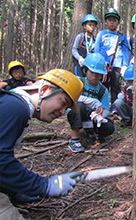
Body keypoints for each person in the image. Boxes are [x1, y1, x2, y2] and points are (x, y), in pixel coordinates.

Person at [0, 69, 84, 219]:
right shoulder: (15, 107)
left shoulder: (15, 105)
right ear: (45, 90)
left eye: (67, 108)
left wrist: (15, 189)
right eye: (63, 103)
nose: (63, 112)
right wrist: (45, 186)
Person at [67, 53, 115, 153]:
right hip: (77, 113)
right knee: (79, 106)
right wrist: (94, 102)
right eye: (92, 72)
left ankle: (91, 131)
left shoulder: (103, 90)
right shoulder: (78, 82)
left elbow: (106, 108)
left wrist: (99, 116)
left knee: (109, 127)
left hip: (92, 119)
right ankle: (74, 138)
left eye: (98, 73)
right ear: (85, 71)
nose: (94, 76)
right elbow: (72, 98)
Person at [95, 8, 129, 108]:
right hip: (104, 66)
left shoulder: (121, 36)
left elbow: (125, 51)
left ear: (118, 22)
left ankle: (115, 109)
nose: (112, 23)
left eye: (114, 20)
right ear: (106, 21)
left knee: (116, 87)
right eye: (110, 20)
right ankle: (102, 107)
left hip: (117, 65)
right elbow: (97, 50)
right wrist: (101, 60)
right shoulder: (101, 34)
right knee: (103, 87)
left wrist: (125, 65)